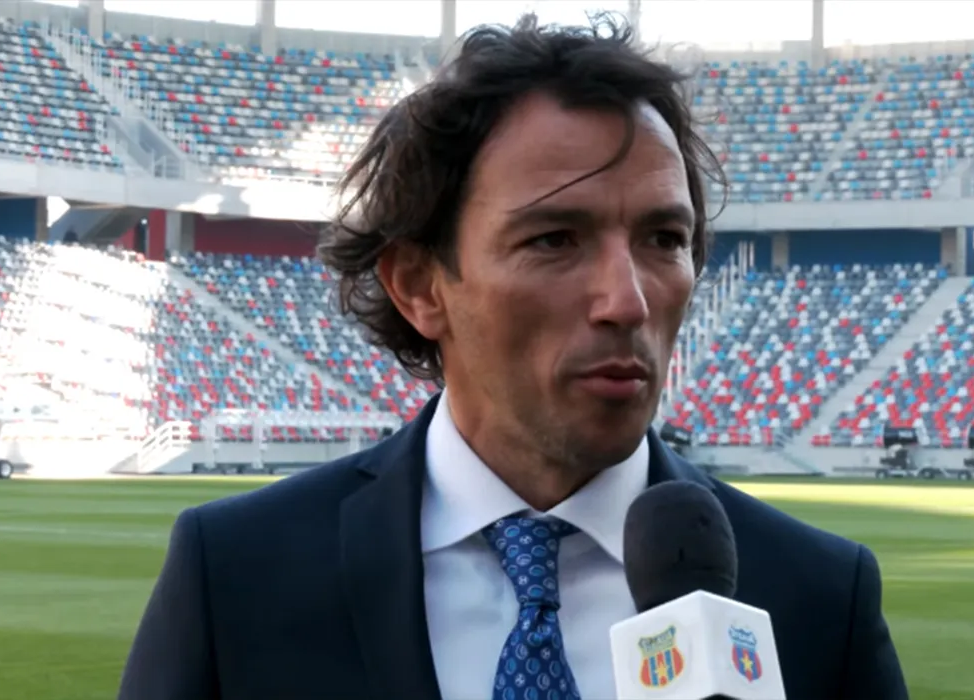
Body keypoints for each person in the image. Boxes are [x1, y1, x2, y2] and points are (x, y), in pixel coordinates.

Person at [118, 14, 908, 700]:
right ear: (418, 285)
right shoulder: (237, 573)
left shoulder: (816, 596)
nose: (627, 300)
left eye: (663, 239)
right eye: (554, 240)